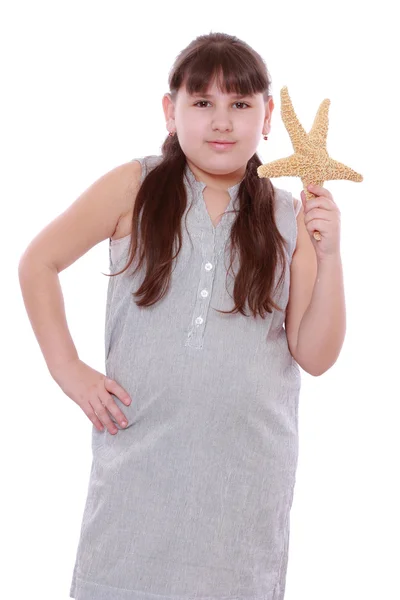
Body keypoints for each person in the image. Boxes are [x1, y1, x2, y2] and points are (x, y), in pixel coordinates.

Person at [18, 31, 346, 600]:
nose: (222, 121)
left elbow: (315, 355)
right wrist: (69, 370)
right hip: (139, 478)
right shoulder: (134, 187)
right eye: (203, 103)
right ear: (171, 112)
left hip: (244, 490)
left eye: (241, 104)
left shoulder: (287, 216)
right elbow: (38, 262)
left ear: (266, 118)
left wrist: (331, 252)